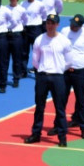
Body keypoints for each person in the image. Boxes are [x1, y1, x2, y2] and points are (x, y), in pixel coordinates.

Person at [26, 14, 72, 146]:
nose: (50, 26)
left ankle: (62, 137)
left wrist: (58, 69)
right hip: (42, 76)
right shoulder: (39, 39)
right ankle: (36, 134)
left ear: (57, 24)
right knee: (39, 107)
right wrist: (42, 69)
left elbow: (69, 61)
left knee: (60, 108)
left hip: (57, 76)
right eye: (48, 23)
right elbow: (35, 60)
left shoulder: (64, 41)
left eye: (53, 23)